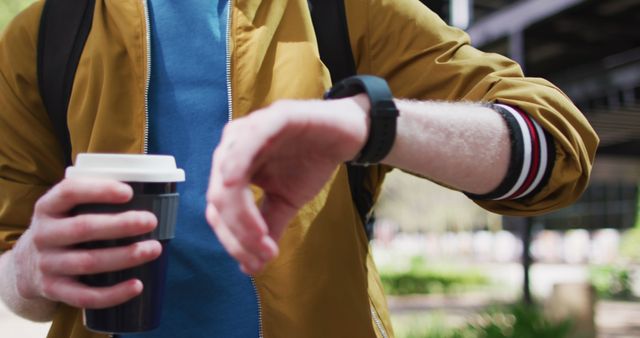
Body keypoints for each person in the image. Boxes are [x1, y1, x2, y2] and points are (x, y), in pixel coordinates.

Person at [0, 0, 597, 337]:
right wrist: (28, 268)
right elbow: (11, 272)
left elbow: (556, 148)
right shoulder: (41, 35)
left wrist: (372, 123)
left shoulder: (348, 9)